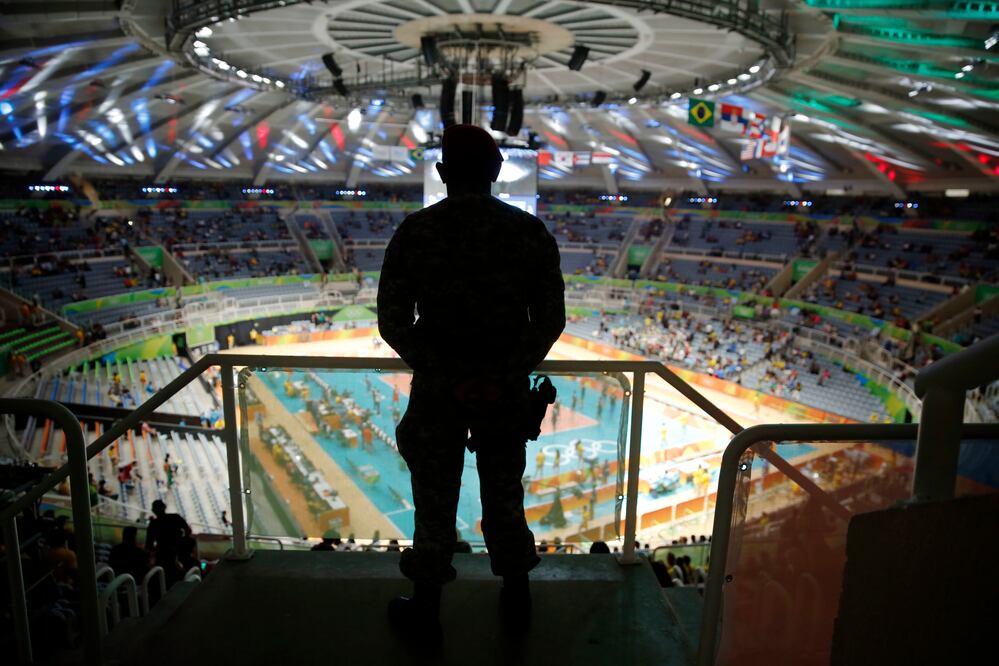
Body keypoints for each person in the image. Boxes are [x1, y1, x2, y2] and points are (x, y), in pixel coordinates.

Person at [377, 124, 565, 644]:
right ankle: (516, 600)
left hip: (438, 394)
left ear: (441, 174)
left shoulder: (415, 232)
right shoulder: (529, 233)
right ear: (498, 173)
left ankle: (427, 608)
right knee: (505, 497)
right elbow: (549, 320)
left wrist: (449, 376)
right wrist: (499, 376)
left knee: (433, 503)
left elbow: (393, 322)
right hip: (503, 395)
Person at [145, 500, 191, 587]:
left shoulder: (153, 524)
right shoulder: (176, 517)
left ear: (154, 511)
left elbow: (149, 545)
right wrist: (181, 542)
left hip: (162, 556)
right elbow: (188, 531)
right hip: (179, 552)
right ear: (165, 508)